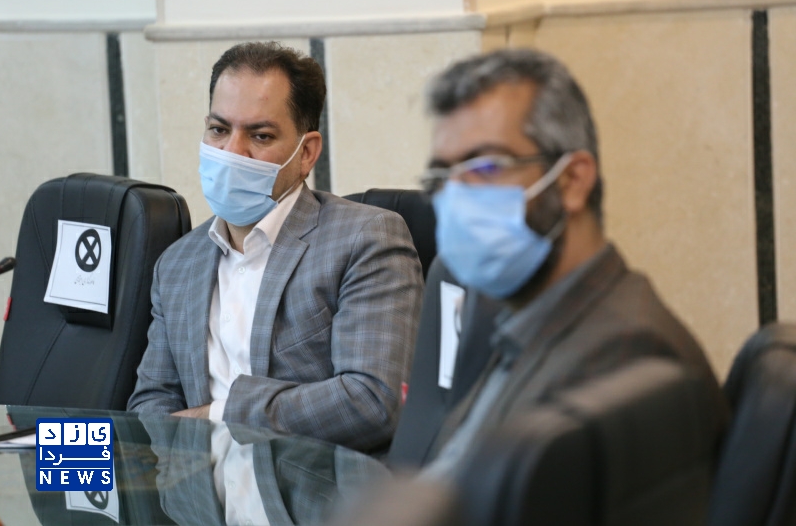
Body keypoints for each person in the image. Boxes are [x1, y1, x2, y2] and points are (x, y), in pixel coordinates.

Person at [412, 47, 727, 473]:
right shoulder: (524, 321)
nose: (456, 198)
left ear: (573, 181)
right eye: (442, 178)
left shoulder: (624, 356)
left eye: (486, 167)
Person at [128, 41, 423, 453]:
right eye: (219, 130)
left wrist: (217, 416)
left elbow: (372, 401)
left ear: (306, 153)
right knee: (54, 466)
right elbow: (151, 404)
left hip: (312, 487)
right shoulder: (177, 263)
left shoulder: (365, 238)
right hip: (200, 489)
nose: (232, 152)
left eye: (260, 135)